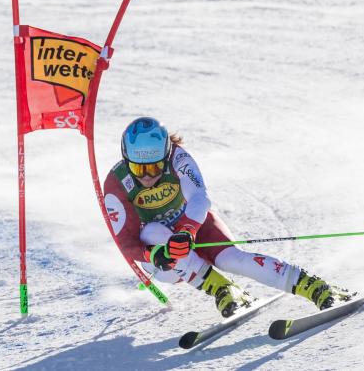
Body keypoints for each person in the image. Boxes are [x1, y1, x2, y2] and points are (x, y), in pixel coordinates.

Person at [103, 117, 351, 317]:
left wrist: (187, 230)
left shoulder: (178, 158)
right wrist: (153, 255)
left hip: (194, 225)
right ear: (127, 160)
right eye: (139, 168)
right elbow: (125, 242)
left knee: (231, 259)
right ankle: (222, 287)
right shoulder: (116, 183)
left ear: (166, 155)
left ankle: (314, 286)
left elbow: (199, 198)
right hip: (163, 256)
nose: (147, 176)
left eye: (155, 167)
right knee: (153, 231)